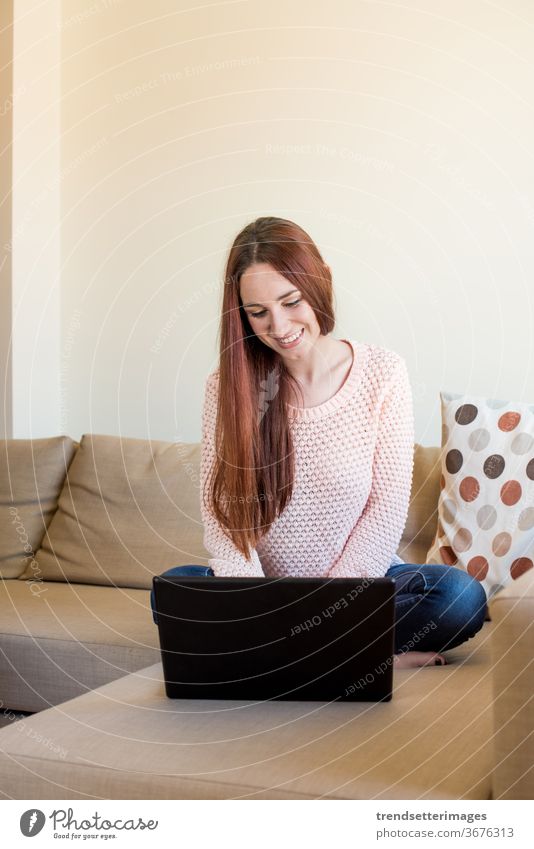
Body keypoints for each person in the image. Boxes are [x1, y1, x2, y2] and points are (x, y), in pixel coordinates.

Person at [158, 216, 487, 669]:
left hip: (359, 586)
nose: (279, 325)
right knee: (174, 591)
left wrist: (329, 610)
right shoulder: (227, 387)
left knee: (459, 595)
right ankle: (357, 658)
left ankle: (280, 659)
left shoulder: (383, 373)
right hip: (264, 595)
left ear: (319, 283)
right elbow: (226, 523)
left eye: (290, 301)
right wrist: (256, 603)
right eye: (258, 312)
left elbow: (386, 510)